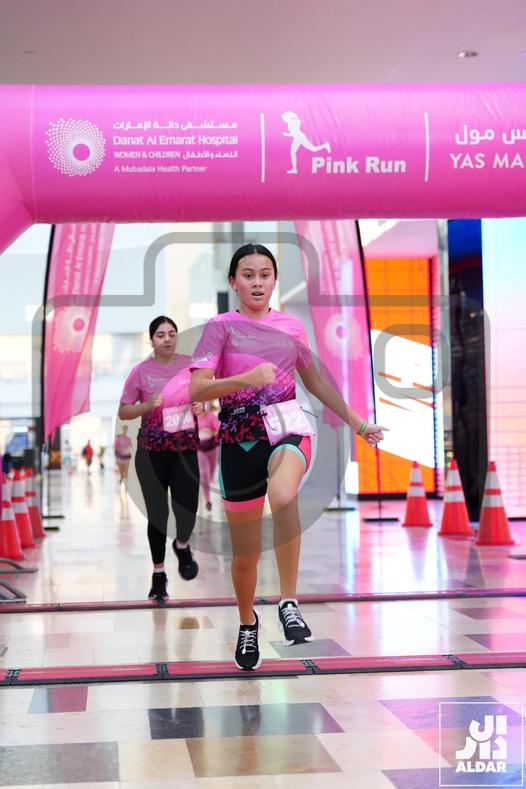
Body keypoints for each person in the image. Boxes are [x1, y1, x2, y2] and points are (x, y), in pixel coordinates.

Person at [190, 243, 386, 670]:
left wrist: (359, 424)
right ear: (233, 282)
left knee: (282, 495)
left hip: (287, 426)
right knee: (245, 556)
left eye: (265, 274)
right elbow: (198, 388)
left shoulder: (291, 327)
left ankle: (289, 602)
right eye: (248, 275)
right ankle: (247, 623)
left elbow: (315, 382)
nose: (257, 282)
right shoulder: (219, 328)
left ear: (274, 280)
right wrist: (244, 378)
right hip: (239, 437)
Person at [118, 316, 202, 600]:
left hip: (184, 450)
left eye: (172, 333)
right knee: (158, 516)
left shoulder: (191, 366)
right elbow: (124, 411)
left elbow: (205, 394)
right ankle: (158, 575)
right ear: (151, 340)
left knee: (187, 510)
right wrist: (145, 406)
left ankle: (182, 544)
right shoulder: (141, 372)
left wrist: (201, 404)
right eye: (160, 335)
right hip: (151, 453)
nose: (167, 339)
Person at [197, 401, 220, 511]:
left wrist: (209, 432)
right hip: (199, 449)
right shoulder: (193, 419)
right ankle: (207, 500)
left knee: (210, 473)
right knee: (204, 474)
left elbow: (218, 431)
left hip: (212, 447)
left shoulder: (212, 417)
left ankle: (206, 484)